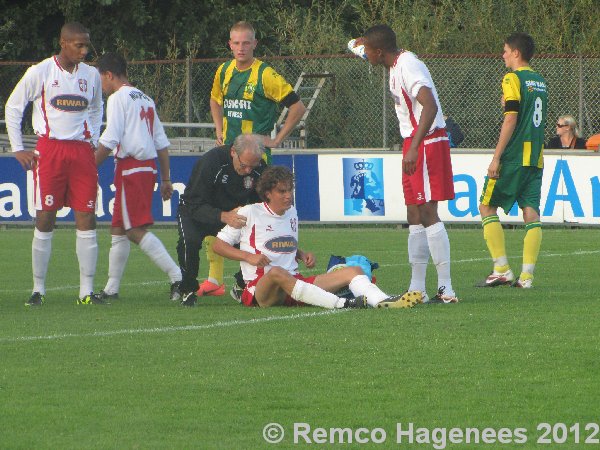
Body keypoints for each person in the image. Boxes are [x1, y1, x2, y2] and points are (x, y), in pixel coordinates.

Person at [212, 165, 421, 309]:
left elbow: (281, 244)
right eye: (282, 191)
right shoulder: (248, 212)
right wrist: (248, 257)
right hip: (262, 290)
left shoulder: (291, 211)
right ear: (268, 193)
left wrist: (301, 254)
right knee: (276, 272)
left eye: (290, 190)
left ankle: (383, 301)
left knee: (354, 270)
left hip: (294, 283)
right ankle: (343, 304)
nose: (288, 195)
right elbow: (218, 245)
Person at [354, 24, 458, 304]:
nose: (365, 56)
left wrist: (414, 146)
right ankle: (418, 289)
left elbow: (430, 105)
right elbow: (366, 49)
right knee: (413, 213)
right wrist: (358, 43)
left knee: (427, 212)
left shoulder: (408, 66)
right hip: (413, 143)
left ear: (378, 51)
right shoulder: (390, 60)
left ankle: (446, 290)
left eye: (368, 51)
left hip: (425, 142)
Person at [203, 21, 307, 299]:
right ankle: (216, 279)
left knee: (252, 221)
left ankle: (245, 280)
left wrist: (277, 139)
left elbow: (297, 107)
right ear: (229, 44)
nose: (240, 48)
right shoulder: (224, 70)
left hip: (257, 162)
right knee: (221, 215)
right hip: (228, 156)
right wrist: (219, 130)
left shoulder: (266, 75)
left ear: (255, 44)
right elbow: (215, 99)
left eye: (246, 43)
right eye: (235, 43)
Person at [5, 22, 105, 306]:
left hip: (81, 152)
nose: (84, 51)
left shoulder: (92, 75)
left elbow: (97, 107)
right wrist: (18, 149)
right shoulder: (40, 72)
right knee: (45, 216)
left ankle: (86, 291)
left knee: (86, 215)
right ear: (63, 42)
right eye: (79, 45)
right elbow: (13, 107)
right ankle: (38, 290)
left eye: (87, 45)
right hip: (50, 150)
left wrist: (93, 138)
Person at [93, 52, 182, 302]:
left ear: (109, 75)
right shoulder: (145, 98)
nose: (102, 86)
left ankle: (177, 276)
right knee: (119, 230)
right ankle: (111, 289)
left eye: (102, 79)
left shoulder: (118, 98)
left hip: (131, 167)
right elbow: (161, 143)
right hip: (146, 167)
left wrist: (89, 168)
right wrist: (165, 178)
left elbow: (110, 138)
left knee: (133, 230)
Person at [477, 32, 548, 289]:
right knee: (531, 212)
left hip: (515, 155)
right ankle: (527, 276)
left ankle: (502, 269)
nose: (503, 54)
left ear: (516, 53)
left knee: (486, 205)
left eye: (506, 50)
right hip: (535, 156)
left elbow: (511, 118)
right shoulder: (540, 81)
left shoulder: (512, 78)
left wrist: (496, 157)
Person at [176, 133, 268, 306]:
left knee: (260, 240)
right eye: (244, 165)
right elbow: (193, 202)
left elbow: (262, 200)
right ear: (233, 152)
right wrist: (224, 216)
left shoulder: (259, 167)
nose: (248, 171)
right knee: (189, 242)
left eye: (252, 166)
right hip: (196, 211)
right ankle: (188, 290)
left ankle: (242, 285)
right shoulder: (210, 162)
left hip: (232, 213)